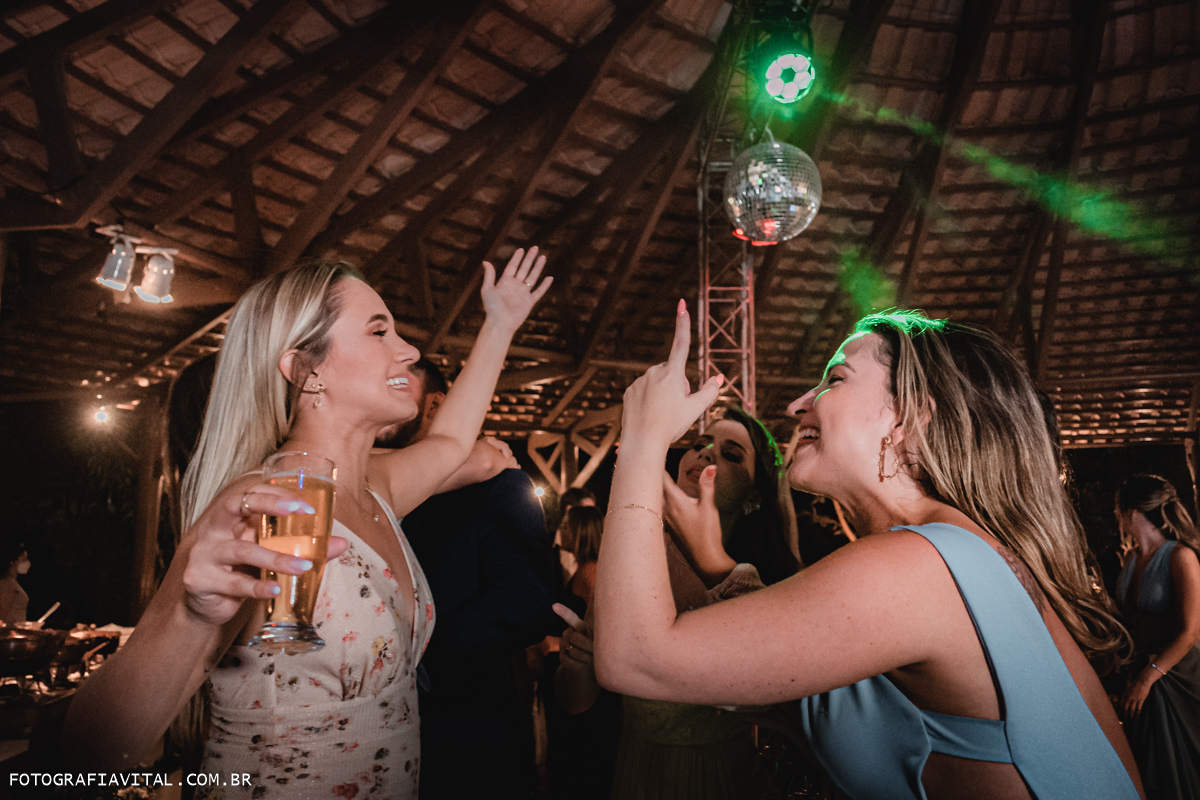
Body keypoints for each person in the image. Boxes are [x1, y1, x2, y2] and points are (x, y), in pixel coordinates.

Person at [594, 303, 1144, 800]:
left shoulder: (921, 565)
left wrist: (642, 438)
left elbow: (634, 657)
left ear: (906, 418)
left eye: (833, 380)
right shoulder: (965, 554)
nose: (797, 404)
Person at [62, 249, 550, 800]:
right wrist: (190, 618)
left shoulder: (375, 489)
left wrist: (501, 323)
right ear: (305, 368)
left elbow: (451, 441)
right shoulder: (265, 508)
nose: (409, 351)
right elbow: (90, 755)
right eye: (378, 331)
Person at [556, 406, 799, 800]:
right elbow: (575, 702)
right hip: (636, 767)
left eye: (730, 453)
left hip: (722, 774)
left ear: (755, 495)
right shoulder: (628, 556)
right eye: (700, 444)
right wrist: (577, 663)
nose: (705, 454)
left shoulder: (765, 581)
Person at [376, 358, 557, 799]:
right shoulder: (365, 478)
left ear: (436, 404)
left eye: (399, 387)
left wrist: (416, 645)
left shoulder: (498, 482)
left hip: (463, 734)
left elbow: (528, 600)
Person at [1114, 474, 1200, 800]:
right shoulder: (1130, 560)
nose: (1116, 518)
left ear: (1133, 512)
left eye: (1117, 510)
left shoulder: (1180, 556)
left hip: (1177, 677)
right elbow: (1126, 620)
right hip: (1140, 675)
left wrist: (1146, 680)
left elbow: (1191, 630)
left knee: (1183, 772)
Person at [0, 540, 30, 625]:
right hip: (10, 634)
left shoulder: (13, 583)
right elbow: (2, 615)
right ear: (12, 562)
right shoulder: (7, 584)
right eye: (23, 559)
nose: (27, 562)